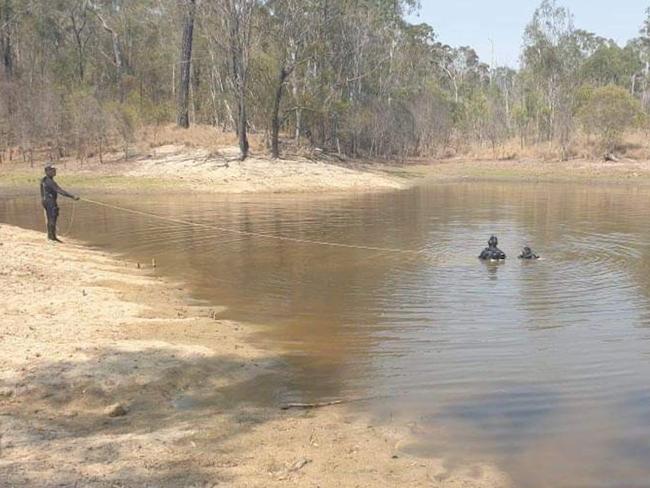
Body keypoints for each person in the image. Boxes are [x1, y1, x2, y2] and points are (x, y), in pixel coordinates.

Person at [40, 165, 79, 242]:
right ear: (47, 172)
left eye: (54, 170)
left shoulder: (43, 180)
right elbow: (59, 190)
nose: (54, 172)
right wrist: (72, 196)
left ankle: (50, 236)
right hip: (50, 202)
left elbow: (42, 192)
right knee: (52, 218)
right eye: (52, 170)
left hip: (46, 201)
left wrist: (43, 201)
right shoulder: (49, 182)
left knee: (50, 218)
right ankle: (52, 238)